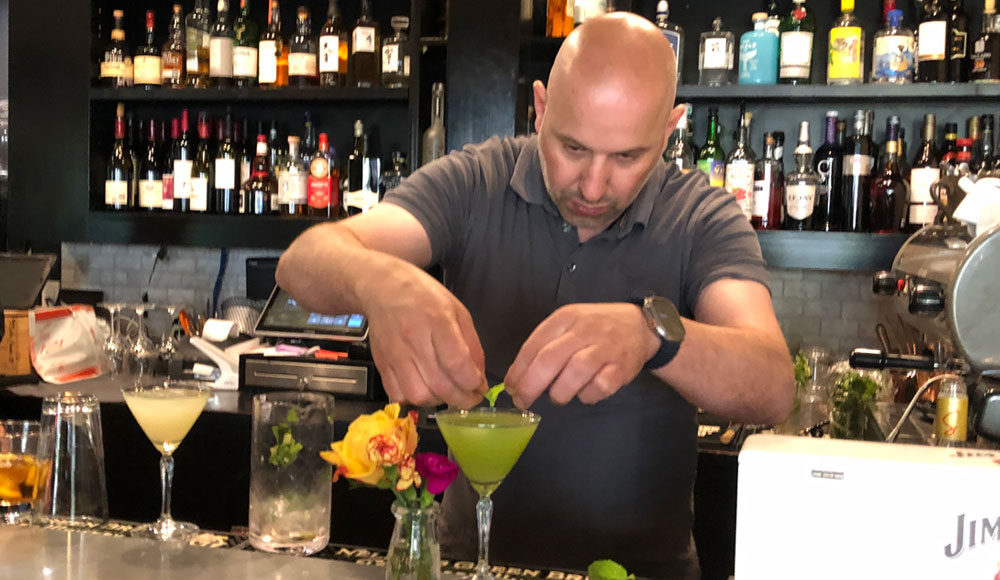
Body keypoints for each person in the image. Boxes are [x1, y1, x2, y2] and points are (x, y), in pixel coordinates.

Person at [277, 12, 794, 579]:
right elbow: (303, 262)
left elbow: (773, 385)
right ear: (541, 107)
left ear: (671, 129)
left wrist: (653, 335)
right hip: (471, 567)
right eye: (572, 147)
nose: (593, 185)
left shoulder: (700, 214)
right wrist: (379, 282)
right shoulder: (476, 180)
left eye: (627, 157)